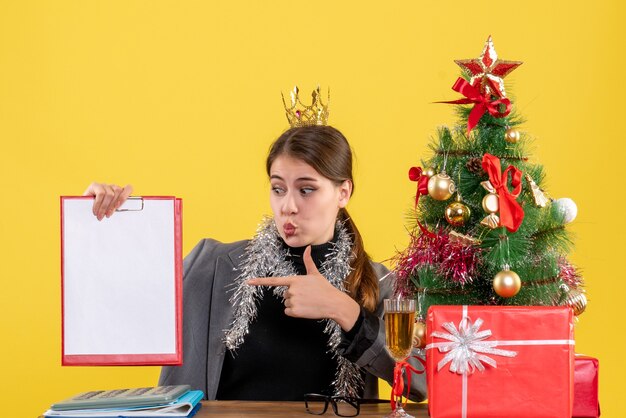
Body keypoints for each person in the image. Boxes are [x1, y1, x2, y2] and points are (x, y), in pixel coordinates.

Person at [83, 91, 426, 402]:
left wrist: (347, 313)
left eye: (306, 190)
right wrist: (103, 225)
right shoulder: (213, 266)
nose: (288, 206)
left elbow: (422, 383)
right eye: (278, 189)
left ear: (343, 192)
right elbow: (122, 306)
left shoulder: (380, 285)